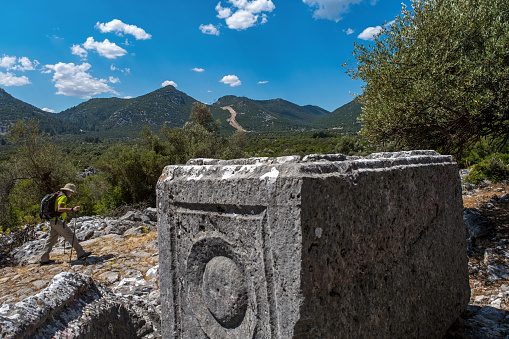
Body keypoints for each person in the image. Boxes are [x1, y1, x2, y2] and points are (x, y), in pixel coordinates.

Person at [39, 183, 92, 265]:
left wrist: (66, 207)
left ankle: (44, 258)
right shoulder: (63, 197)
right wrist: (72, 209)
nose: (72, 193)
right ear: (68, 191)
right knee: (71, 236)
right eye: (72, 192)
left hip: (53, 221)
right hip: (58, 222)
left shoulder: (59, 195)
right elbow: (59, 209)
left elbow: (57, 208)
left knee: (51, 240)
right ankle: (81, 254)